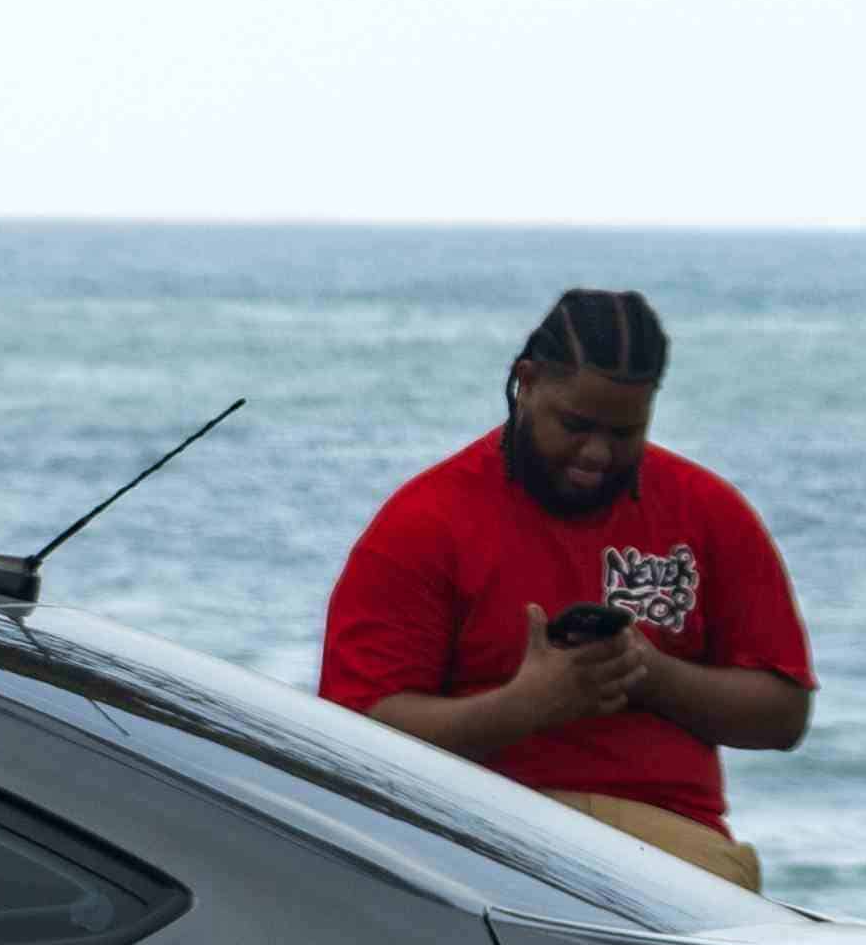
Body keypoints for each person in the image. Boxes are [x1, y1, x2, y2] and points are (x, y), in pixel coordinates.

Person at [315, 287, 814, 890]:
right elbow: (353, 739)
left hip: (665, 840)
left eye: (625, 432)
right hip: (477, 830)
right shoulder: (425, 521)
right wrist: (526, 705)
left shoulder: (709, 511)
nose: (597, 454)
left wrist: (646, 673)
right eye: (575, 425)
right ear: (526, 381)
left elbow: (784, 716)